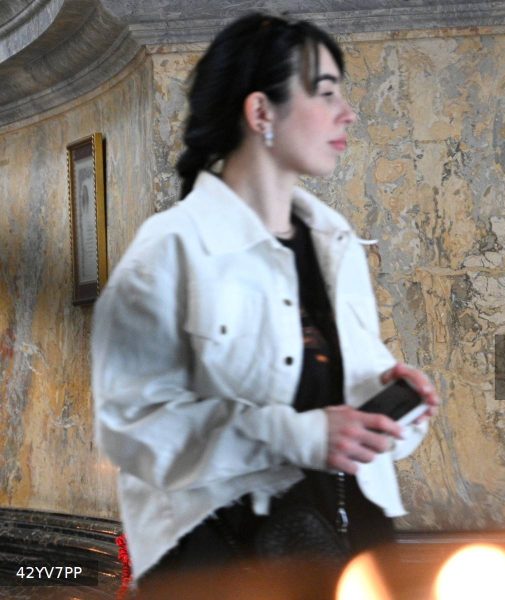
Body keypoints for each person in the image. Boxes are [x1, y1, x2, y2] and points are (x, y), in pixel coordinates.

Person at [91, 13, 439, 590]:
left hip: (354, 551)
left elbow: (336, 406)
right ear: (261, 114)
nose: (347, 112)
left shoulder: (336, 243)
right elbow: (131, 427)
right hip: (224, 565)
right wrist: (297, 434)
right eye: (325, 93)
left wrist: (396, 411)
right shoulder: (171, 249)